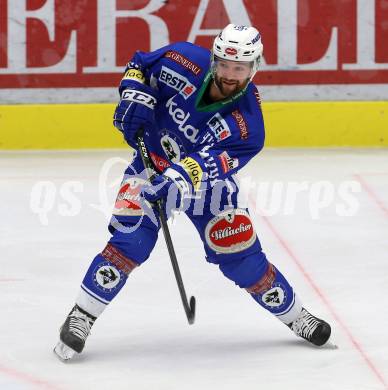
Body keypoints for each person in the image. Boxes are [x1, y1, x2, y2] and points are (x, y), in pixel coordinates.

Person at [54, 24, 331, 361]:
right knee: (131, 241)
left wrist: (174, 180)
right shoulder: (181, 59)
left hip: (206, 188)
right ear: (214, 59)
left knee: (238, 252)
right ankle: (82, 315)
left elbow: (206, 166)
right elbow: (139, 65)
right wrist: (133, 95)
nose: (230, 74)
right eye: (225, 65)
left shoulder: (248, 127)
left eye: (239, 68)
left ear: (253, 67)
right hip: (149, 164)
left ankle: (296, 316)